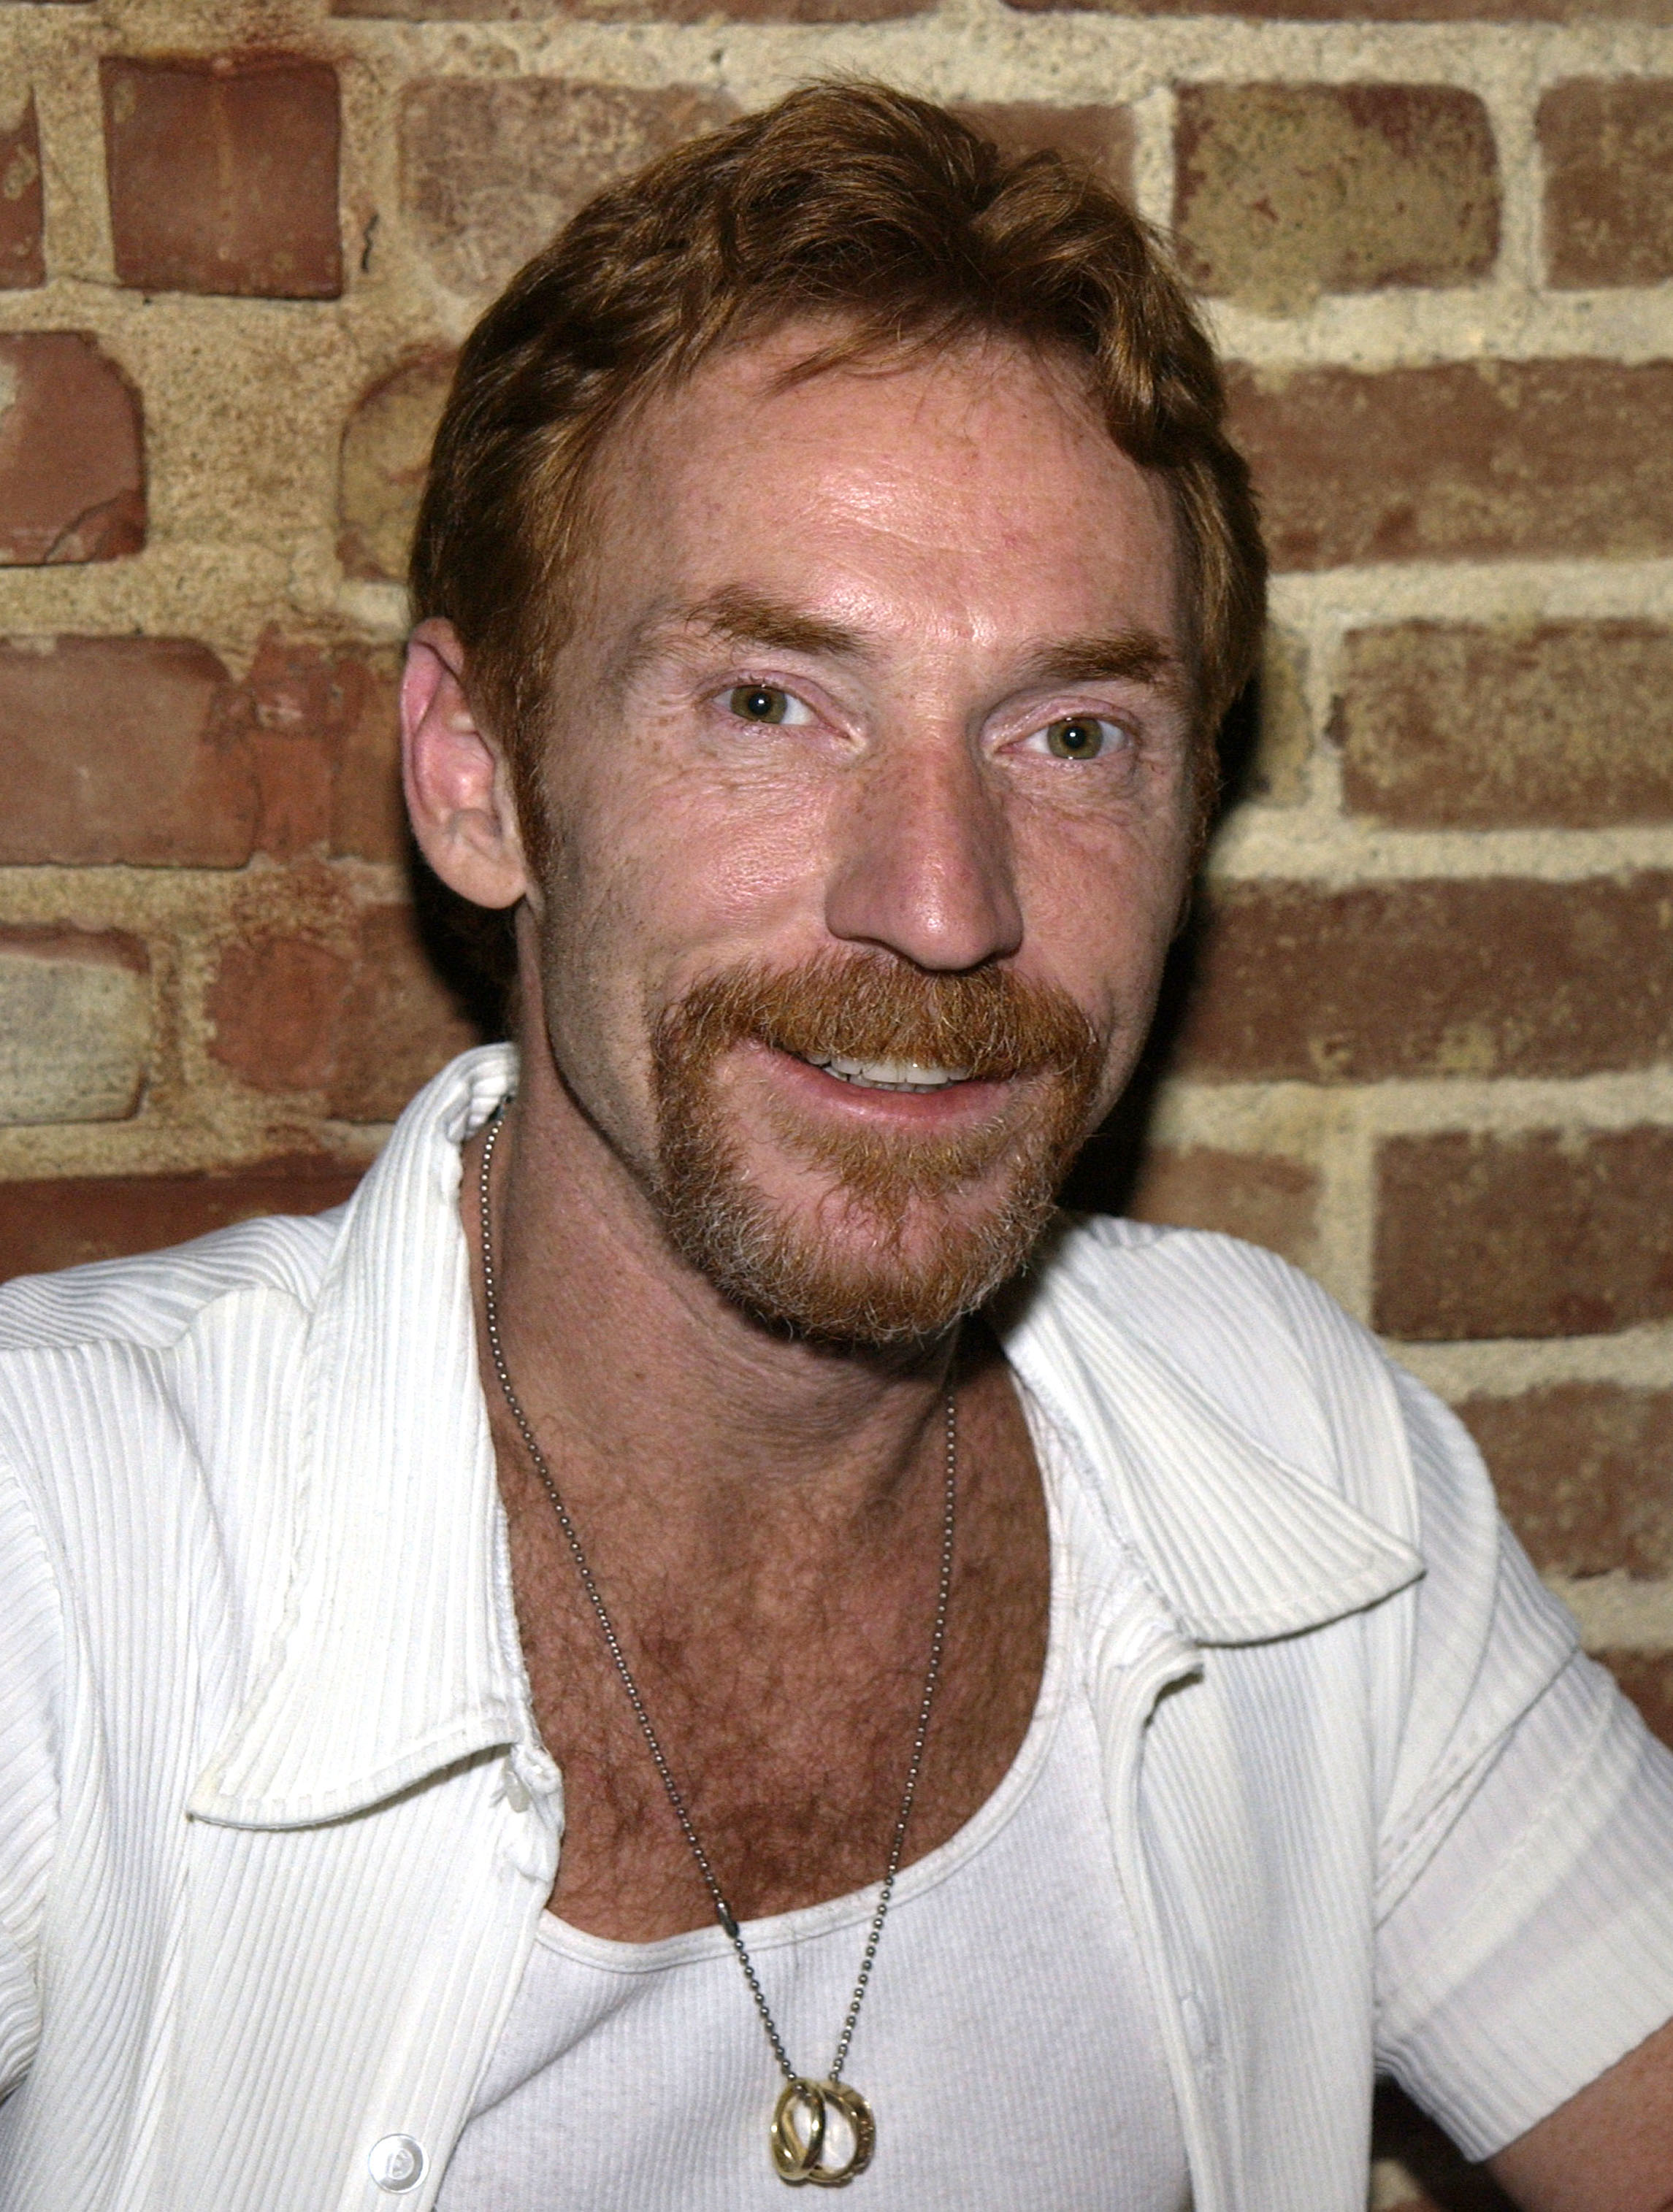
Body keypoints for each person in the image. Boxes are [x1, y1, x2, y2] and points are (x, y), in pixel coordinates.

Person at [1, 82, 1671, 2212]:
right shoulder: (60, 1553)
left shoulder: (1291, 1462)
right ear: (478, 778)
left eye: (1073, 736)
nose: (945, 901)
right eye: (770, 706)